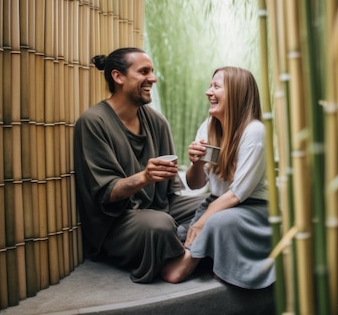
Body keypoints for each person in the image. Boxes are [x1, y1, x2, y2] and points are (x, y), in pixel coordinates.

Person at [73, 47, 204, 283]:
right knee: (160, 226)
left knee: (213, 205)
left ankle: (183, 249)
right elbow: (106, 193)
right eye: (144, 72)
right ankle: (192, 245)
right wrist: (144, 177)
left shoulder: (157, 122)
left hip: (161, 209)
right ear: (118, 77)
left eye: (152, 72)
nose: (152, 78)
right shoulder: (93, 122)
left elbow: (171, 191)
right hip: (118, 222)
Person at [160, 66, 276, 290]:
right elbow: (196, 184)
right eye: (209, 85)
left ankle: (200, 259)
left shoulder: (255, 132)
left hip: (253, 209)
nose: (208, 91)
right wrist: (197, 162)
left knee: (217, 223)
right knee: (187, 229)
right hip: (216, 203)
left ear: (235, 92)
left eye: (216, 86)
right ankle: (212, 255)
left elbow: (237, 194)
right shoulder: (208, 127)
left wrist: (203, 222)